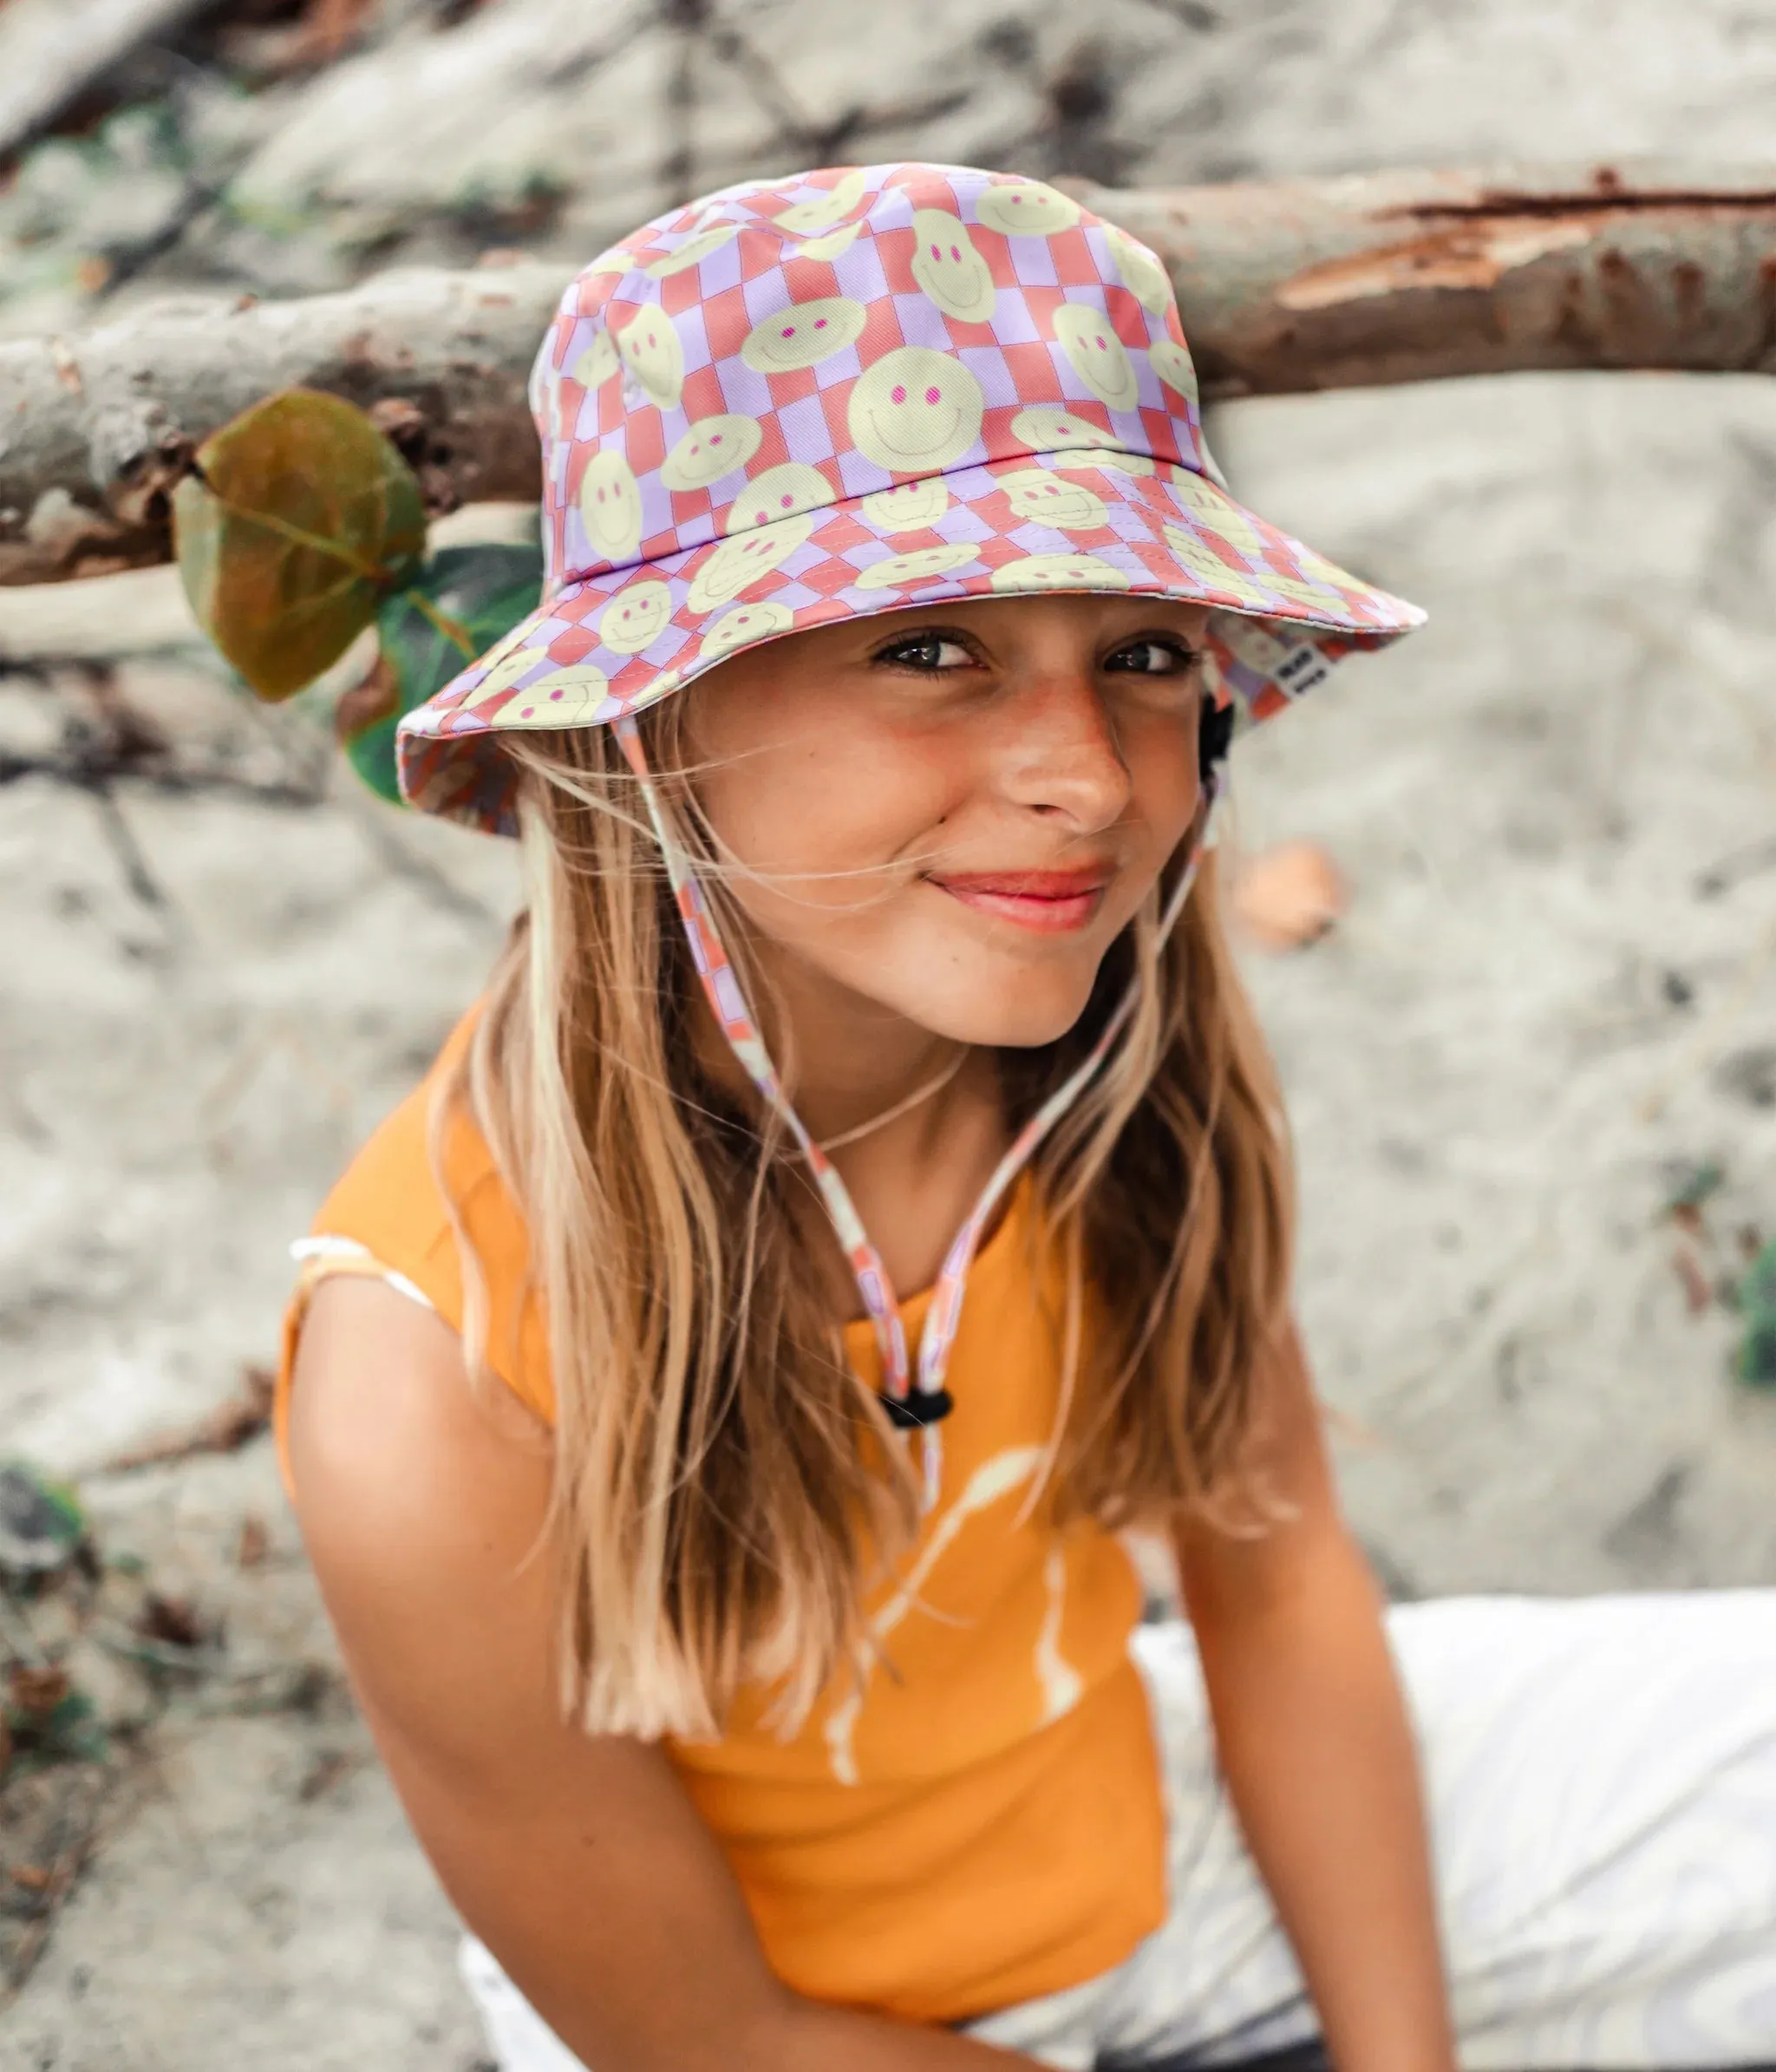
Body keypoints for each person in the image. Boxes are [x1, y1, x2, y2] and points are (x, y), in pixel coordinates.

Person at [278, 164, 1776, 2072]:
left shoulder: (1110, 1076)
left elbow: (1277, 1573)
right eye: (930, 651)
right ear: (648, 723)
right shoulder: (429, 1366)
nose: (1081, 776)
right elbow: (708, 2035)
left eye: (1142, 654)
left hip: (1139, 1851)